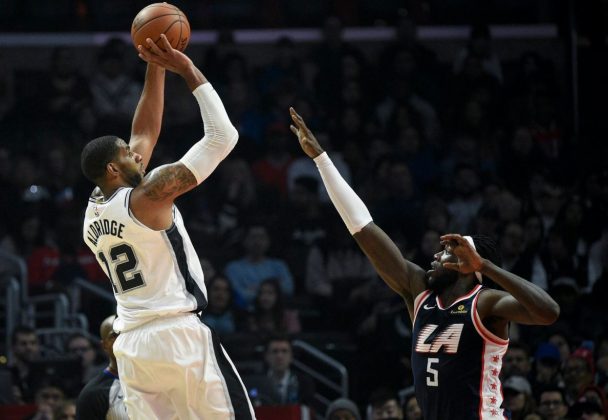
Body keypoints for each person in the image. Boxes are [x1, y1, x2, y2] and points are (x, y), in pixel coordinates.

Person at [288, 107, 560, 419]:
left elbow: (549, 312)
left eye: (447, 251)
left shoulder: (485, 302)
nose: (435, 255)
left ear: (469, 263)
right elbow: (364, 229)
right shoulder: (420, 293)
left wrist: (486, 267)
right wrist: (322, 160)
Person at [80, 35, 255, 418]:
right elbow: (223, 137)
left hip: (132, 347)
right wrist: (187, 69)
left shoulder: (94, 209)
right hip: (177, 335)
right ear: (113, 168)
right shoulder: (149, 195)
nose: (137, 153)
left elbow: (144, 132)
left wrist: (154, 64)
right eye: (127, 154)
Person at [76, 315, 128, 420]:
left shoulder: (158, 381)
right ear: (104, 345)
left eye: (127, 333)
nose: (122, 339)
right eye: (114, 336)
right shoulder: (93, 393)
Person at [264, 334, 315, 406]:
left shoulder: (304, 382)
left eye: (284, 351)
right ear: (266, 356)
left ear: (291, 356)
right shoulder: (256, 381)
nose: (279, 356)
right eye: (275, 351)